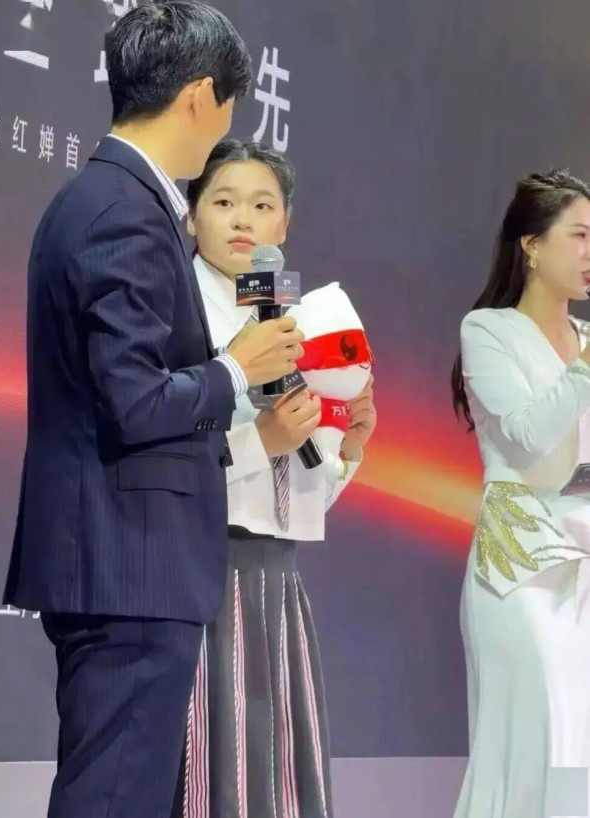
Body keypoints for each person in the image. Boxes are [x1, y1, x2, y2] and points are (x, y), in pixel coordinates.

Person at [2, 7, 305, 818]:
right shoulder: (125, 209)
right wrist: (236, 368)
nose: (229, 122)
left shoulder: (109, 197)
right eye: (232, 102)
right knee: (114, 796)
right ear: (202, 96)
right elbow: (135, 400)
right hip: (128, 560)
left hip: (119, 557)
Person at [175, 139, 377, 818]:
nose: (243, 219)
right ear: (191, 215)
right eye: (223, 201)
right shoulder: (174, 310)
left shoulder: (295, 322)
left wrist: (350, 445)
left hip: (276, 581)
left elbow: (300, 489)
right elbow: (160, 458)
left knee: (278, 777)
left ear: (284, 225)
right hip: (197, 573)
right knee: (208, 776)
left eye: (263, 206)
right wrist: (261, 440)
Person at [451, 169, 590, 817]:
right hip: (520, 564)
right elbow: (529, 435)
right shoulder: (487, 330)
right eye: (580, 235)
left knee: (578, 764)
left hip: (584, 561)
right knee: (533, 748)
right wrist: (583, 369)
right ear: (532, 245)